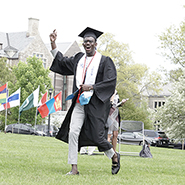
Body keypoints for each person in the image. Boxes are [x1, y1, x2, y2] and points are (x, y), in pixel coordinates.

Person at [49, 27, 120, 175]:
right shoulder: (78, 59)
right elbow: (61, 62)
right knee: (73, 132)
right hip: (79, 102)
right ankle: (74, 168)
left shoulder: (104, 61)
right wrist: (53, 44)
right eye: (85, 41)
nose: (87, 43)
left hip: (96, 103)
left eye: (90, 41)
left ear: (95, 44)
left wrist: (92, 86)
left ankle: (113, 156)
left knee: (97, 136)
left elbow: (111, 81)